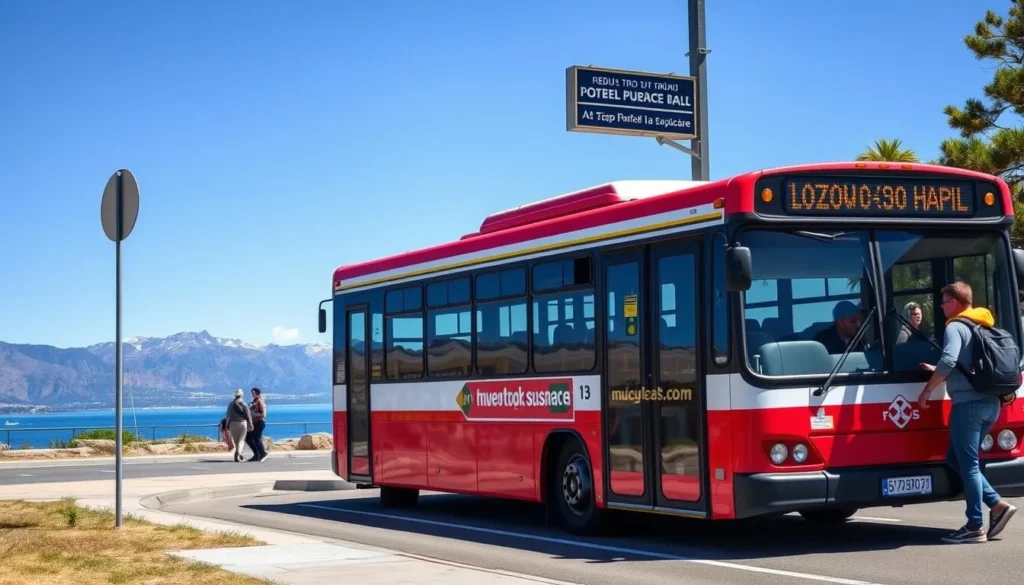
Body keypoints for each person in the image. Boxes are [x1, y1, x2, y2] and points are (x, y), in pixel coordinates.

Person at [918, 281, 1017, 543]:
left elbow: (950, 359)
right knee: (955, 458)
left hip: (968, 406)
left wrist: (928, 390)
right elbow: (963, 362)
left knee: (969, 465)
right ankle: (997, 505)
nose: (941, 307)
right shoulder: (984, 323)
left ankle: (975, 525)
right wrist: (938, 368)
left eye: (943, 302)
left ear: (954, 302)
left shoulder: (956, 326)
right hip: (991, 403)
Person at [224, 388, 253, 462]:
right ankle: (239, 455)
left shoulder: (230, 404)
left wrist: (226, 426)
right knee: (241, 440)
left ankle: (237, 455)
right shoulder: (243, 404)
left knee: (236, 442)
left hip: (232, 424)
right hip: (242, 423)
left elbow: (228, 416)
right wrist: (250, 424)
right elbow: (248, 415)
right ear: (242, 395)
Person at [245, 387, 268, 462]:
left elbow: (263, 414)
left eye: (253, 393)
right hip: (254, 423)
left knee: (256, 438)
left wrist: (253, 413)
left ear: (257, 393)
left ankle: (263, 453)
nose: (252, 395)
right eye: (252, 393)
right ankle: (256, 454)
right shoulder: (254, 402)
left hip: (259, 422)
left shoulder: (259, 401)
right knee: (248, 438)